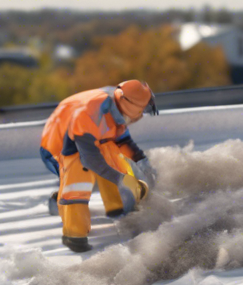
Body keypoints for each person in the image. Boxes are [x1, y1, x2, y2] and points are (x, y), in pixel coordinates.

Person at [38, 80, 159, 252]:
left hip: (87, 141)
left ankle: (117, 207)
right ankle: (74, 235)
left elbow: (122, 141)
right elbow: (89, 159)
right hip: (58, 148)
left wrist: (143, 162)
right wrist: (122, 180)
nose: (142, 115)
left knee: (114, 158)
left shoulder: (117, 106)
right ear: (132, 106)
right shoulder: (89, 113)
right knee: (79, 174)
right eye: (142, 110)